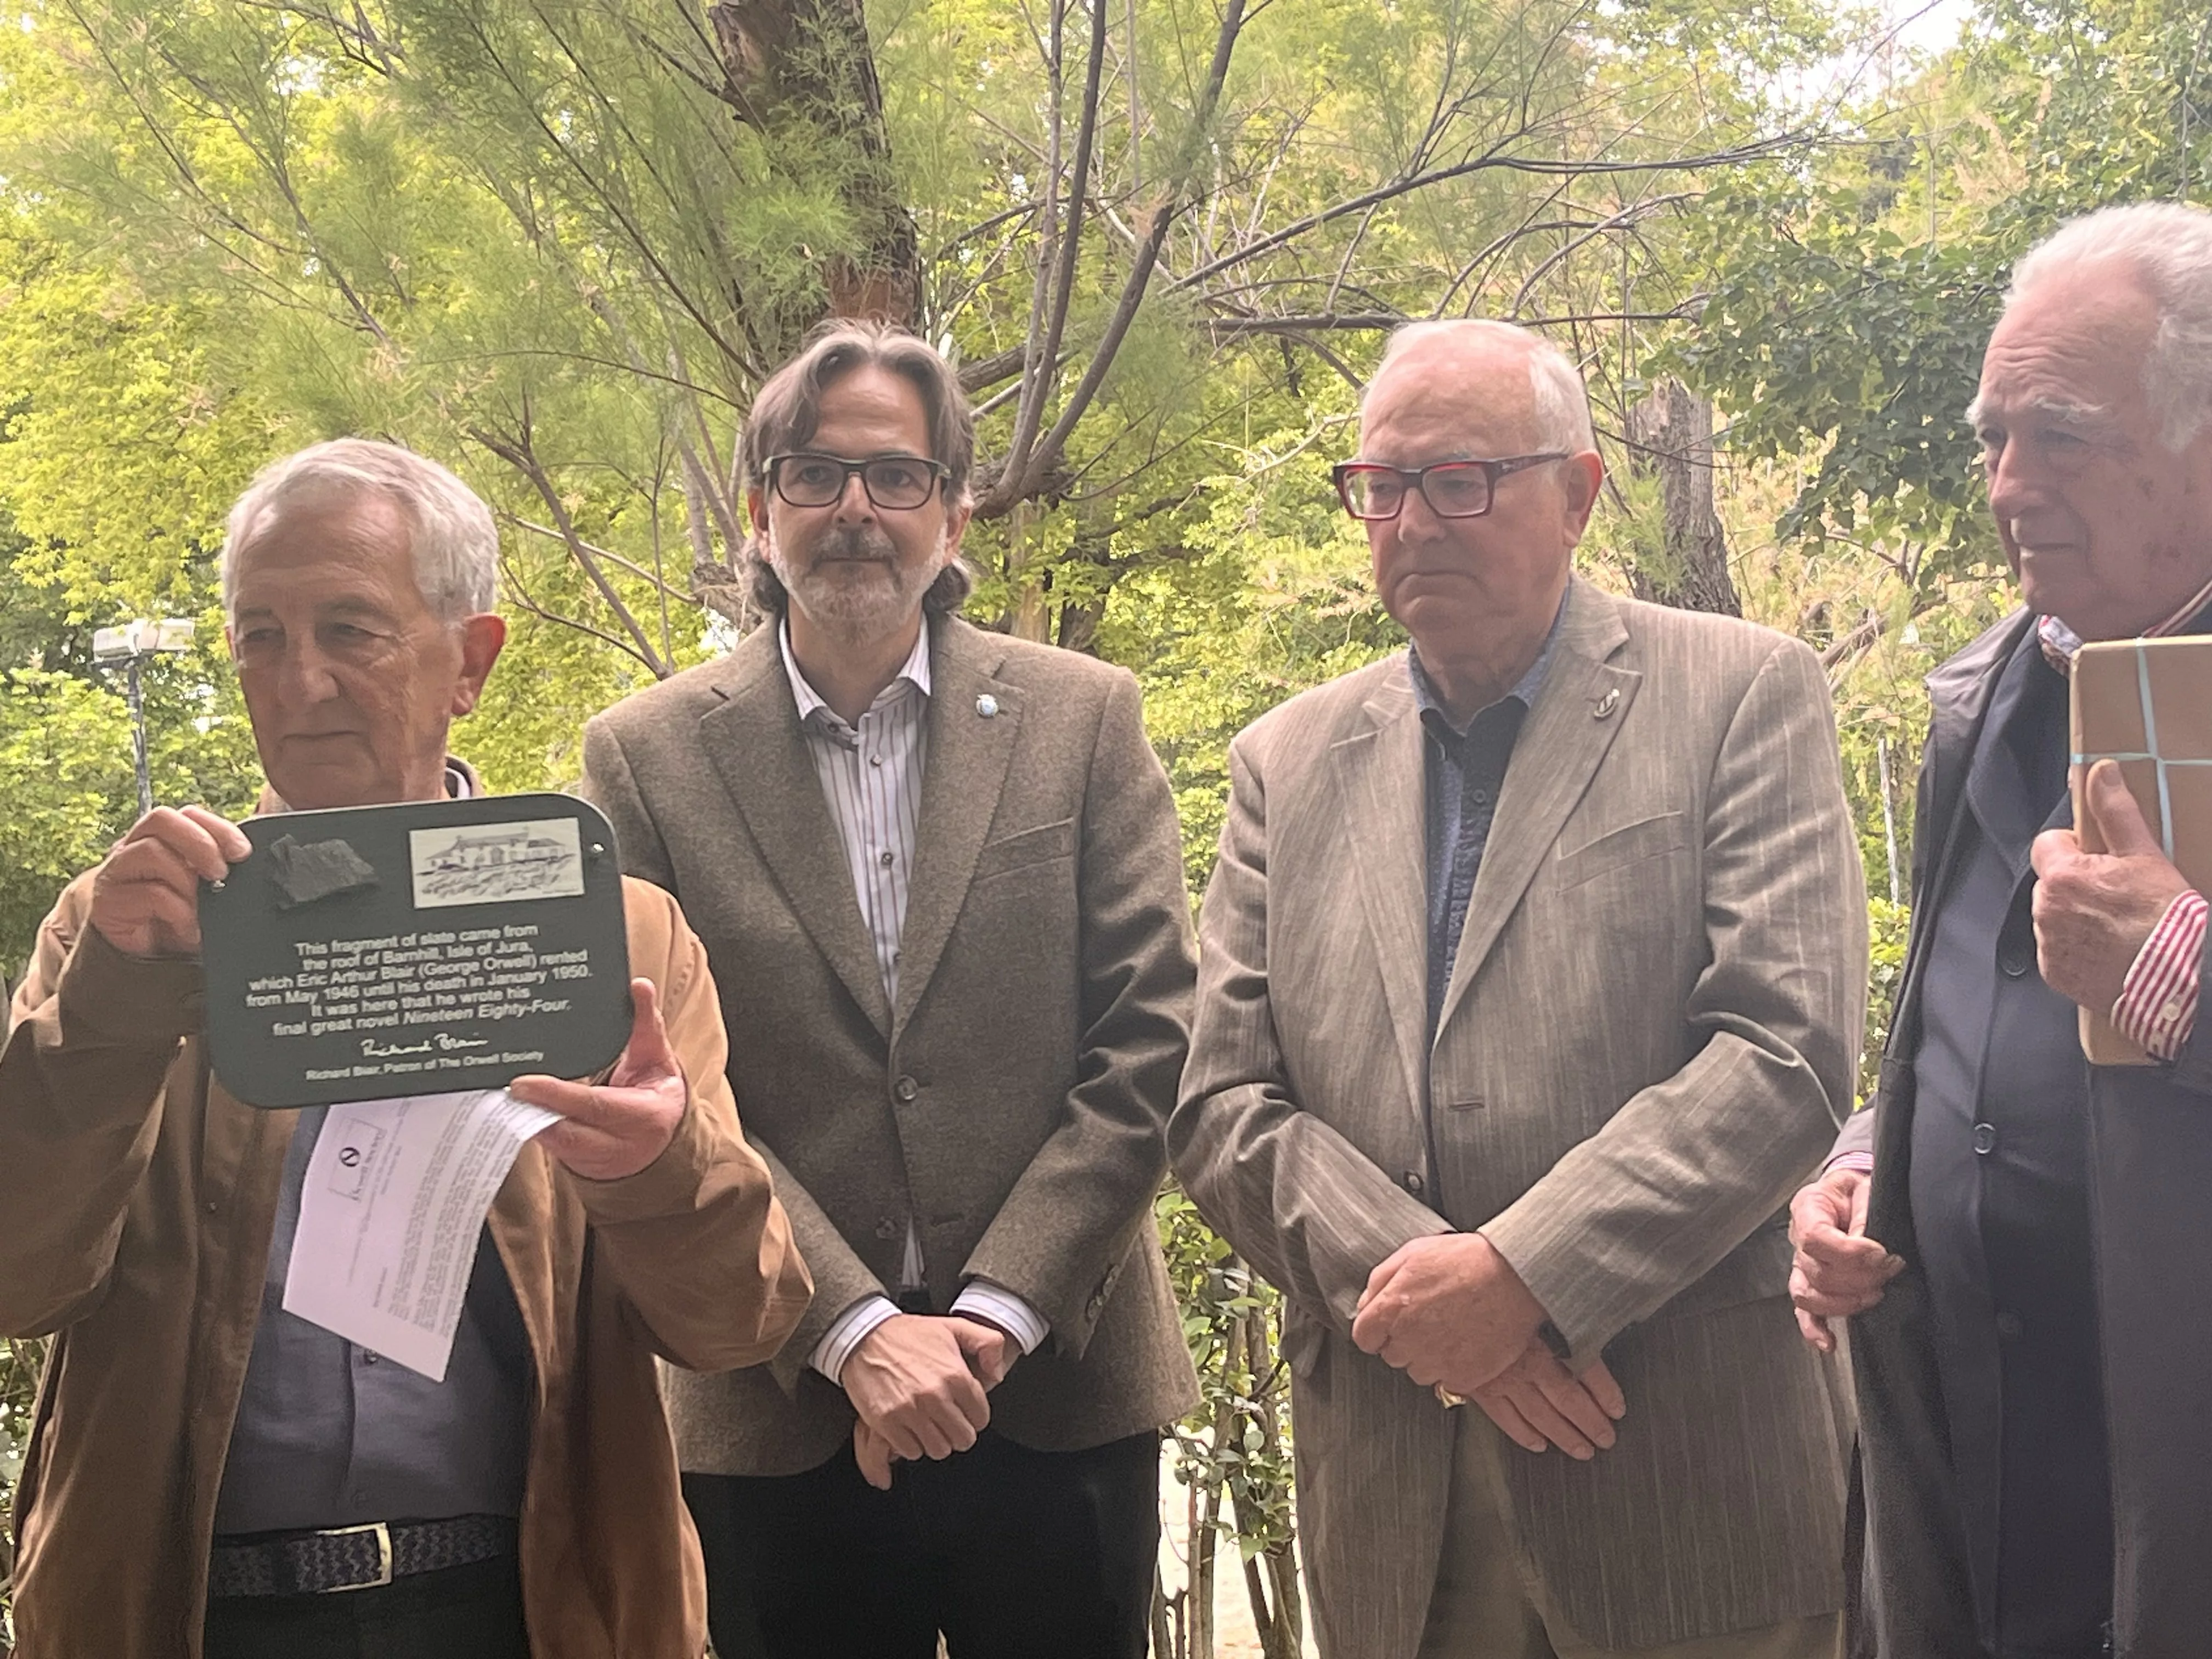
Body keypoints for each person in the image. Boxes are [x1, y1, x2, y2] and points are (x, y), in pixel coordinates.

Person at [0, 438, 812, 1659]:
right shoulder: (125, 930)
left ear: (470, 662)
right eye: (260, 635)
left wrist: (656, 1166)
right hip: (187, 1615)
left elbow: (740, 1321)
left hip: (528, 1610)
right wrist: (120, 1000)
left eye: (351, 629)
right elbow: (17, 1280)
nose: (299, 680)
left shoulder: (613, 940)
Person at [1171, 318, 1867, 1659]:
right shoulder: (1285, 763)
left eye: (1463, 480)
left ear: (1580, 493)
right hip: (1401, 1500)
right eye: (1383, 486)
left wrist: (1523, 1275)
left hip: (1686, 1476)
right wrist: (1442, 1314)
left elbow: (1782, 1052)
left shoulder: (1740, 694)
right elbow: (1221, 1104)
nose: (1414, 522)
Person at [582, 320, 1199, 1659]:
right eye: (813, 473)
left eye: (896, 475)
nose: (855, 508)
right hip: (777, 1406)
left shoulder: (1085, 719)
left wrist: (991, 1320)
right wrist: (853, 1331)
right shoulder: (644, 761)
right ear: (760, 513)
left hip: (1057, 1393)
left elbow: (1152, 1038)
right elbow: (668, 1085)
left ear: (953, 513)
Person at [1790, 202, 2212, 1659]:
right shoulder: (1989, 701)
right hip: (1975, 1522)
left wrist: (2183, 977)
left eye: (2064, 436)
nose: (2010, 484)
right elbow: (1961, 1016)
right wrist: (1873, 1159)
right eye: (1994, 439)